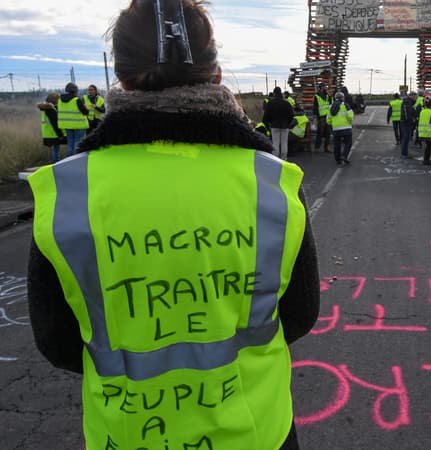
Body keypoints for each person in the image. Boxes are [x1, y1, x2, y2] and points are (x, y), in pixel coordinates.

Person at [26, 2, 319, 450]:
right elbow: (299, 315)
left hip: (124, 435)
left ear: (120, 78)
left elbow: (57, 341)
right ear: (216, 74)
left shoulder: (67, 189)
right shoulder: (273, 182)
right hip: (256, 430)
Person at [57, 81, 90, 156]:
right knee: (78, 143)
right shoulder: (76, 100)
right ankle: (76, 160)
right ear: (75, 91)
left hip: (67, 125)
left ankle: (68, 160)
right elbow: (86, 112)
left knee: (70, 144)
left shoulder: (60, 100)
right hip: (78, 125)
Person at [263, 86, 295, 160]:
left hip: (274, 126)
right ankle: (284, 159)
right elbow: (291, 115)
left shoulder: (270, 103)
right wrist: (288, 123)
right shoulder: (286, 103)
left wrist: (268, 124)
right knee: (284, 143)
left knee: (275, 144)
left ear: (274, 93)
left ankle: (276, 160)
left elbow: (266, 115)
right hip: (285, 126)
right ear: (281, 93)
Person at [37, 92, 66, 163]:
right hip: (53, 133)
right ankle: (56, 164)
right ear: (54, 99)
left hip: (48, 133)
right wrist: (60, 135)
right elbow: (54, 123)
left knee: (55, 150)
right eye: (58, 98)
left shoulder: (45, 108)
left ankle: (55, 163)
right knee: (56, 150)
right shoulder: (50, 110)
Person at [328, 91, 354, 165]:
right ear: (342, 98)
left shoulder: (330, 106)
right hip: (346, 128)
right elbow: (350, 116)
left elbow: (328, 120)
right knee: (348, 143)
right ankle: (344, 156)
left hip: (336, 129)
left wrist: (333, 124)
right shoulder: (345, 105)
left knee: (337, 144)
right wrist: (349, 122)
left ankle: (337, 159)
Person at [417, 96, 431, 165]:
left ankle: (426, 159)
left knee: (427, 147)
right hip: (430, 133)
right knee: (429, 147)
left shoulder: (422, 111)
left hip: (423, 132)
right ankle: (426, 160)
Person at [313, 82, 332, 152]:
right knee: (320, 133)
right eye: (324, 87)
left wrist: (329, 95)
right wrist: (316, 117)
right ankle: (317, 148)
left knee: (328, 133)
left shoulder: (327, 96)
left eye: (326, 87)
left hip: (327, 117)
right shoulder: (317, 96)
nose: (325, 88)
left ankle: (326, 147)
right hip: (321, 117)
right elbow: (315, 107)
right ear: (320, 88)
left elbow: (330, 104)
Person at [399, 91, 418, 159]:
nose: (416, 98)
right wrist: (411, 121)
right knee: (406, 138)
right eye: (415, 97)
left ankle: (405, 153)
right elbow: (408, 113)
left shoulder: (407, 102)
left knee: (406, 138)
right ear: (412, 96)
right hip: (406, 122)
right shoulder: (408, 102)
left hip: (405, 122)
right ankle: (404, 153)